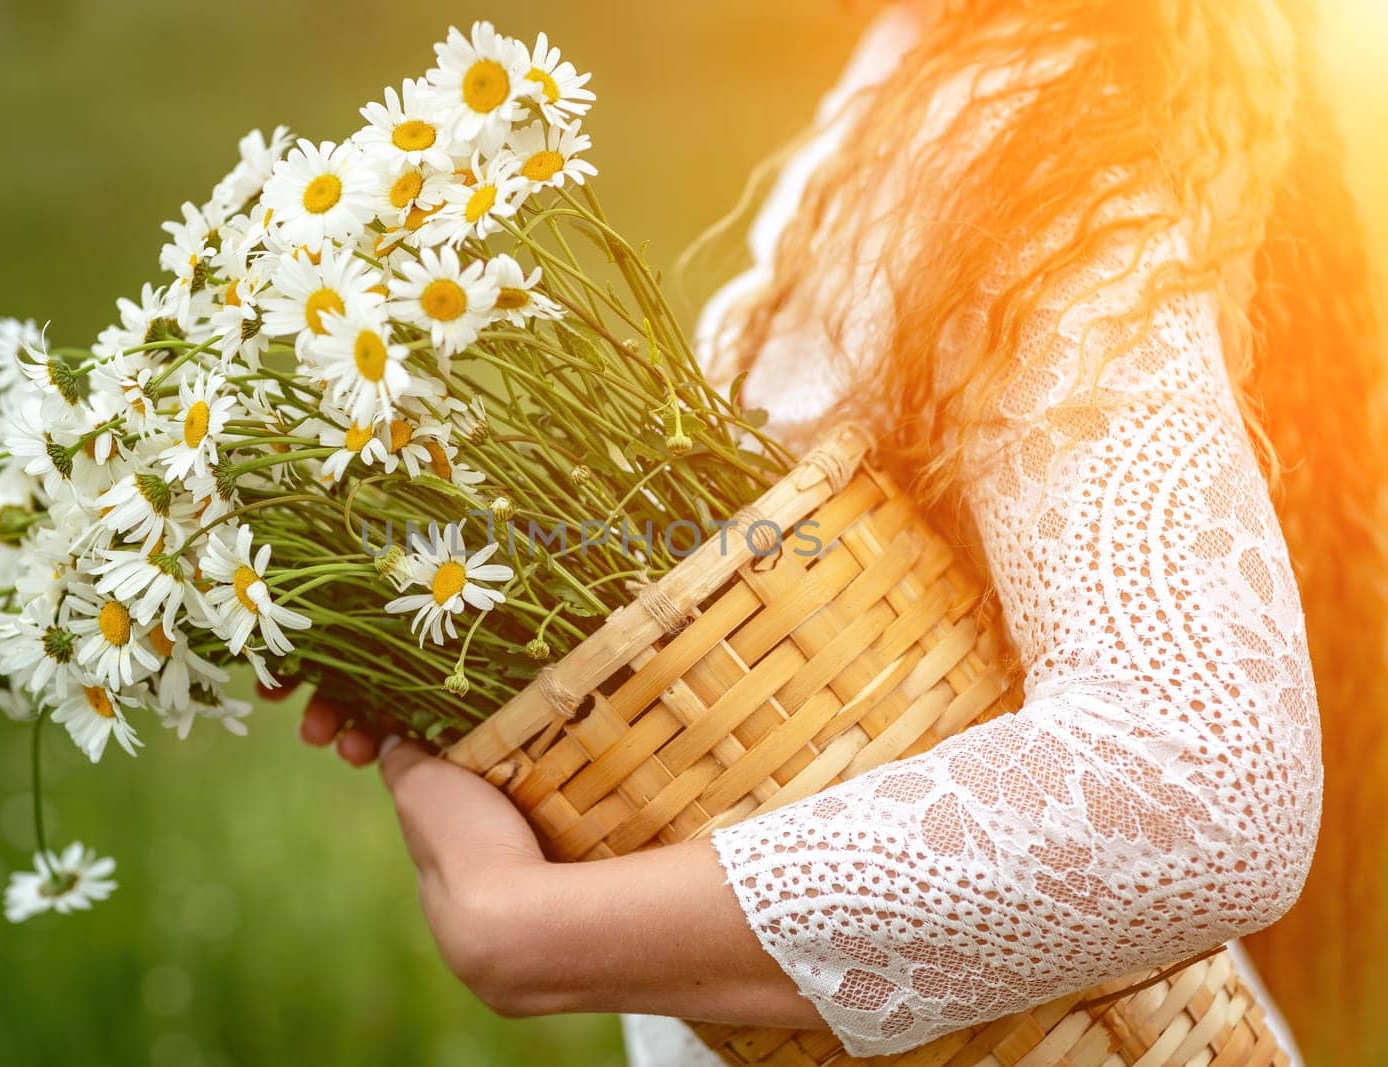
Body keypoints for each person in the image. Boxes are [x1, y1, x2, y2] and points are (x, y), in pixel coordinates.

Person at [277, 1, 1388, 1062]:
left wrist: (534, 930)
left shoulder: (1028, 133)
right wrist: (447, 623)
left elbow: (1193, 773)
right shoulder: (907, 74)